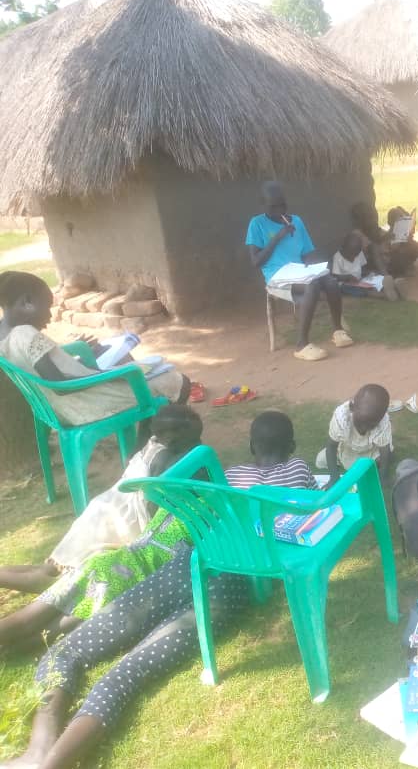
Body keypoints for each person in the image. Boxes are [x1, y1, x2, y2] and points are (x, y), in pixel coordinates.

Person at [6, 415, 319, 769]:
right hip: (234, 585)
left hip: (189, 562)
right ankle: (48, 762)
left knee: (63, 654)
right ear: (291, 447)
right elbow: (311, 506)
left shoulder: (228, 478)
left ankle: (39, 750)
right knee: (127, 673)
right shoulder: (297, 472)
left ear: (251, 447)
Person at [0, 407, 204, 652]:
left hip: (113, 561)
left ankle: (13, 649)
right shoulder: (192, 511)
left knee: (48, 613)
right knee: (49, 613)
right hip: (124, 568)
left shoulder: (165, 497)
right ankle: (16, 647)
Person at [0, 271, 190, 426]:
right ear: (26, 302)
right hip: (86, 404)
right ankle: (150, 448)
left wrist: (89, 358)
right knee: (175, 380)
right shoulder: (25, 334)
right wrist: (111, 376)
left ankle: (143, 447)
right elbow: (61, 386)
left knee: (130, 366)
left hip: (62, 408)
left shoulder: (5, 337)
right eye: (47, 307)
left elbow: (51, 374)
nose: (50, 315)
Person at [247, 181, 350, 361]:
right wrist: (278, 237)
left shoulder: (297, 221)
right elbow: (256, 261)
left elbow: (307, 253)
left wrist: (315, 269)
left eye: (282, 205)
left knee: (330, 282)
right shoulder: (257, 224)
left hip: (298, 271)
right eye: (274, 207)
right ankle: (301, 345)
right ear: (263, 206)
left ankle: (338, 331)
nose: (280, 210)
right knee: (312, 286)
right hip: (277, 276)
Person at [318, 383, 393, 484]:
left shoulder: (383, 423)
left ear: (382, 417)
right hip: (347, 448)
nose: (364, 429)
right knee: (320, 460)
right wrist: (334, 477)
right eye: (360, 422)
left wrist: (383, 477)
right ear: (352, 407)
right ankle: (363, 466)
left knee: (385, 457)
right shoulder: (341, 418)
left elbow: (385, 450)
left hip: (370, 451)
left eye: (371, 425)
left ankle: (367, 466)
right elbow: (331, 446)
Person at [225, 410, 319, 490]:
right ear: (292, 447)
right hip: (289, 511)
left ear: (251, 447)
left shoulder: (231, 475)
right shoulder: (298, 468)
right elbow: (318, 500)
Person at [331, 229, 401, 301]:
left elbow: (363, 268)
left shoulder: (359, 253)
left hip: (360, 280)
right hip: (346, 284)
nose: (354, 257)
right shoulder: (337, 257)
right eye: (351, 254)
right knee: (354, 290)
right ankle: (382, 295)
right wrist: (348, 277)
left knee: (377, 279)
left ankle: (392, 287)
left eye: (356, 254)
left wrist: (370, 273)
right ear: (345, 248)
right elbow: (336, 276)